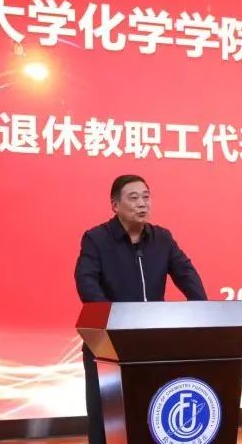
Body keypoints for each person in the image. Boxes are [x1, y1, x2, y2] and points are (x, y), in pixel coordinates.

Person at [74, 174, 207, 444]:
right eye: (133, 198)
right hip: (108, 344)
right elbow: (86, 281)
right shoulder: (96, 239)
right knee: (106, 418)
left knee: (151, 412)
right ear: (115, 205)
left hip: (153, 343)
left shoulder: (162, 239)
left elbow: (186, 274)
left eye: (146, 197)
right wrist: (111, 321)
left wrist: (203, 311)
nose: (142, 203)